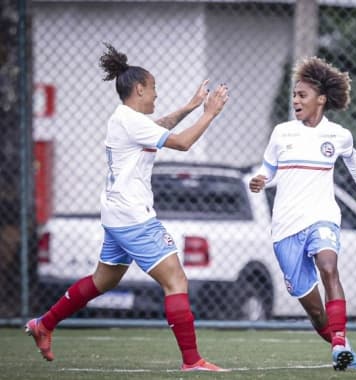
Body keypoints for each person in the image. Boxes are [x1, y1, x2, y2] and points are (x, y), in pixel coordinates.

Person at [25, 43, 230, 372]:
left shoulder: (127, 119)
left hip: (117, 216)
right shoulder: (129, 121)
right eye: (153, 89)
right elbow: (182, 142)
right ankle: (192, 361)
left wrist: (191, 106)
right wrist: (210, 112)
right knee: (176, 281)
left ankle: (44, 324)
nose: (156, 95)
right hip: (134, 218)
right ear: (139, 89)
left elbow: (161, 125)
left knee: (101, 282)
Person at [249, 56, 356, 371]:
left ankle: (337, 345)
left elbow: (354, 162)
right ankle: (345, 349)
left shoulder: (338, 135)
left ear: (321, 100)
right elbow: (268, 168)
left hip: (322, 217)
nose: (295, 100)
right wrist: (261, 178)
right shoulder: (282, 133)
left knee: (329, 266)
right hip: (285, 227)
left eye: (302, 95)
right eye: (294, 95)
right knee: (315, 311)